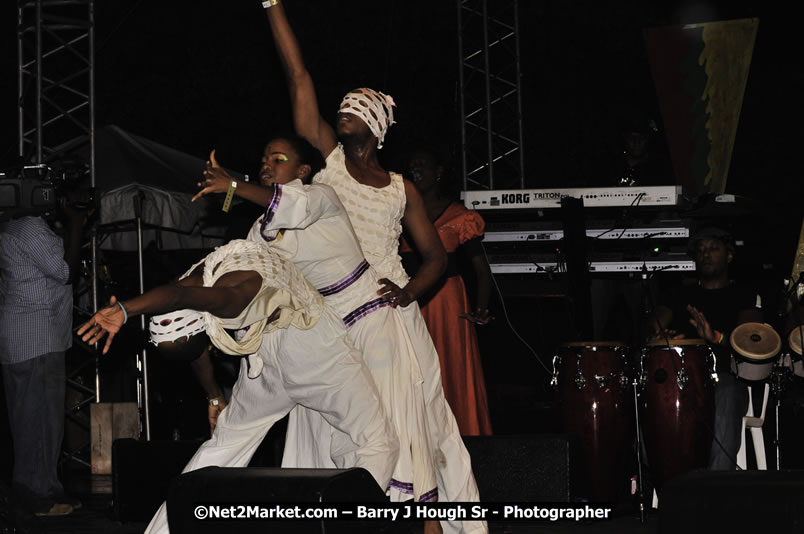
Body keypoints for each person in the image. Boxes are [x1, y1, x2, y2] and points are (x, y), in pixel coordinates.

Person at [262, 4, 485, 533]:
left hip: (385, 317)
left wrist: (409, 296)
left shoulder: (400, 188)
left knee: (404, 420)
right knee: (332, 417)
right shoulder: (330, 161)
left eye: (356, 108)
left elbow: (436, 258)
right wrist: (273, 6)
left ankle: (424, 523)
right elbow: (299, 76)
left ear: (377, 126)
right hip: (327, 311)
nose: (343, 111)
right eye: (342, 107)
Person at [77, 239, 399, 533]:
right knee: (373, 441)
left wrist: (125, 309)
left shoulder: (228, 294)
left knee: (226, 447)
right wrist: (215, 398)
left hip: (298, 354)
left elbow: (182, 303)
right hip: (285, 357)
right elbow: (188, 325)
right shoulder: (190, 293)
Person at [194, 135, 438, 504]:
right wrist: (220, 391)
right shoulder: (257, 232)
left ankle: (415, 517)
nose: (266, 164)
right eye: (263, 158)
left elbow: (291, 205)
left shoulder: (320, 195)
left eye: (277, 158)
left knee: (391, 428)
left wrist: (232, 185)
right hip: (317, 337)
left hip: (369, 321)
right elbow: (241, 293)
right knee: (325, 441)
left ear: (303, 170)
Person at [648, 226, 762, 469]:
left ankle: (713, 490)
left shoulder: (744, 295)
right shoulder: (678, 294)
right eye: (700, 251)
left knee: (726, 393)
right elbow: (654, 324)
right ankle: (666, 481)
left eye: (713, 249)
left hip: (724, 380)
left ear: (729, 256)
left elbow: (752, 341)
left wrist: (716, 336)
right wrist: (660, 336)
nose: (706, 254)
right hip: (679, 382)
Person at [400, 148, 493, 436]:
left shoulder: (459, 215)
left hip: (446, 300)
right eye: (412, 166)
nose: (416, 170)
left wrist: (481, 307)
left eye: (423, 165)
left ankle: (461, 435)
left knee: (450, 368)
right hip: (411, 297)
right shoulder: (399, 211)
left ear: (438, 172)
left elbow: (481, 269)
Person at [0, 209, 85, 518]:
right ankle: (38, 495)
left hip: (28, 333)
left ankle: (44, 487)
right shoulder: (30, 227)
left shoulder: (13, 225)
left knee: (35, 420)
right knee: (38, 420)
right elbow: (64, 271)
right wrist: (77, 225)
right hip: (36, 334)